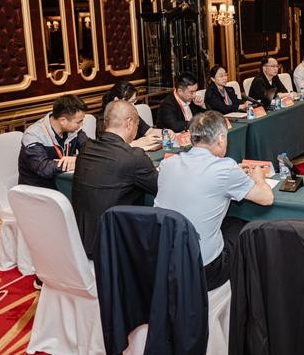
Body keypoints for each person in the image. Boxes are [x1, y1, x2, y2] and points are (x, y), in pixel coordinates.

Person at [154, 111, 274, 290]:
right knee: (245, 228)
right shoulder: (225, 168)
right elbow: (267, 198)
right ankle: (248, 292)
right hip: (205, 270)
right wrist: (258, 178)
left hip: (163, 261)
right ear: (221, 139)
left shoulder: (167, 165)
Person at [72, 100, 158, 258]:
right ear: (129, 124)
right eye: (137, 125)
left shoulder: (85, 149)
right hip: (115, 246)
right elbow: (160, 187)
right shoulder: (134, 157)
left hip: (81, 242)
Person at [18, 95, 89, 189]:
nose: (81, 125)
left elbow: (90, 149)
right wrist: (76, 162)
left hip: (63, 184)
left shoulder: (73, 130)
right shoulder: (33, 135)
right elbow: (44, 168)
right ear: (63, 121)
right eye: (78, 122)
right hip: (37, 190)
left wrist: (76, 159)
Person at [100, 82, 163, 148]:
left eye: (134, 101)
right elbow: (109, 147)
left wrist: (165, 133)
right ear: (117, 100)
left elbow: (149, 131)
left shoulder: (130, 113)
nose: (133, 106)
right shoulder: (105, 118)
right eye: (131, 102)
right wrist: (136, 143)